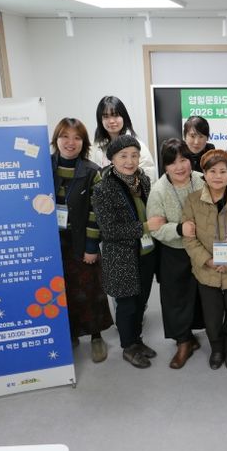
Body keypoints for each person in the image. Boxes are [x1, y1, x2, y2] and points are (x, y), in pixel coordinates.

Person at [182, 149, 227, 370]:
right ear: (204, 173)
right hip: (206, 270)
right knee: (211, 315)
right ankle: (216, 349)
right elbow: (189, 238)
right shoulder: (193, 200)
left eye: (223, 171)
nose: (217, 176)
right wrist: (208, 261)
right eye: (212, 171)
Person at [92, 135, 158, 369]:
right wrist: (146, 227)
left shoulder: (144, 181)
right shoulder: (103, 188)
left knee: (141, 302)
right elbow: (109, 230)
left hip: (146, 253)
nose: (129, 161)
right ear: (112, 158)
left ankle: (137, 340)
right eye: (123, 156)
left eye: (134, 155)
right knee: (127, 305)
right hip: (121, 257)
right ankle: (128, 347)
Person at [50, 117, 112, 363]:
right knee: (61, 288)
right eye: (65, 136)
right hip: (52, 241)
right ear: (56, 139)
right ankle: (72, 332)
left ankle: (96, 336)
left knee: (89, 289)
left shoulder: (91, 171)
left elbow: (96, 214)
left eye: (77, 138)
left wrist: (91, 246)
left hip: (82, 238)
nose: (70, 142)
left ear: (84, 143)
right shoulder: (43, 167)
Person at [146, 138, 204, 369]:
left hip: (202, 249)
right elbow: (156, 228)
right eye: (173, 162)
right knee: (176, 298)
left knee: (201, 294)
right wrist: (179, 229)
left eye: (184, 160)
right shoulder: (158, 190)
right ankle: (183, 342)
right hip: (174, 251)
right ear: (165, 166)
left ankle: (193, 335)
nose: (180, 167)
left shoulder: (201, 180)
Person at [90, 95, 157, 181]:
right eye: (106, 116)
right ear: (100, 120)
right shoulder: (94, 148)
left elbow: (149, 177)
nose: (111, 121)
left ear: (124, 117)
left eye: (115, 115)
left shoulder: (138, 146)